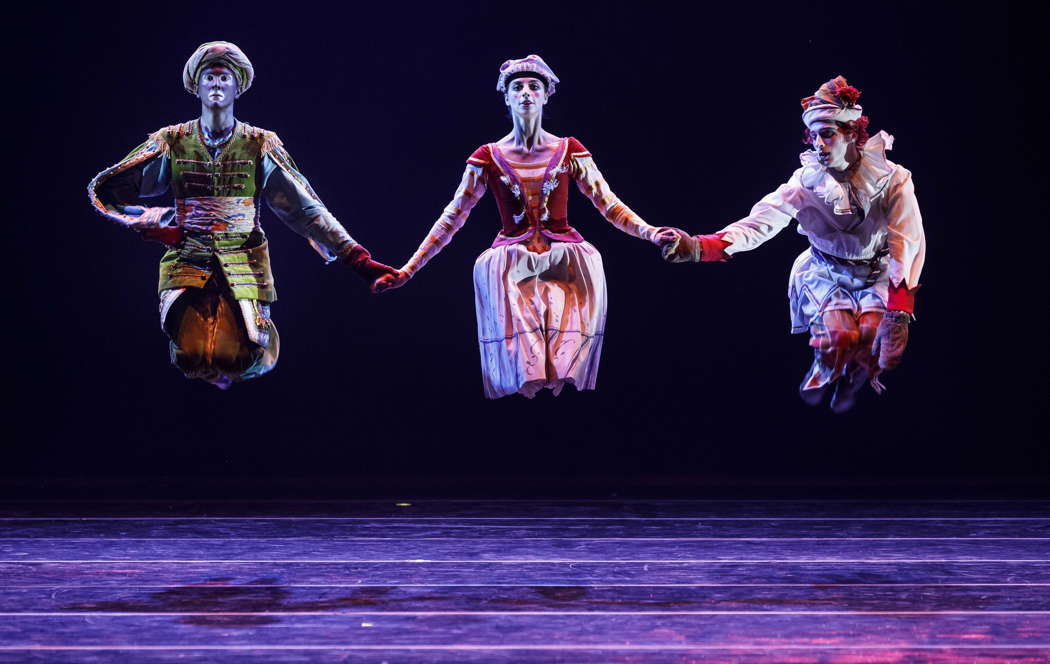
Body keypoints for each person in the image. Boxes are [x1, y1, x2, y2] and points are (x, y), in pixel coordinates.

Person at [373, 55, 684, 399]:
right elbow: (452, 218)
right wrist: (409, 270)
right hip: (512, 264)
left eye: (533, 87)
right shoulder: (488, 157)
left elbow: (608, 203)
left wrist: (652, 232)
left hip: (566, 260)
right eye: (516, 87)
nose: (525, 93)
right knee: (526, 351)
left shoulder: (569, 150)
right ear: (505, 97)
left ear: (546, 95)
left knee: (562, 349)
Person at [88, 41, 395, 388]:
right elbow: (109, 188)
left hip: (244, 260)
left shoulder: (259, 144)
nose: (216, 85)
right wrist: (156, 221)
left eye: (224, 78)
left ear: (237, 86)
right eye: (209, 77)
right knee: (191, 356)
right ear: (196, 86)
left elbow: (305, 207)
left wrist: (359, 260)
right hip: (188, 259)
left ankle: (247, 348)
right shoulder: (171, 142)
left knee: (236, 356)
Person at [663, 76, 925, 412]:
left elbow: (909, 240)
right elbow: (762, 221)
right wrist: (700, 246)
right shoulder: (805, 182)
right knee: (841, 334)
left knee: (872, 336)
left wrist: (899, 311)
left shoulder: (893, 180)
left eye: (827, 134)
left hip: (877, 271)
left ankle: (855, 376)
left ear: (851, 134)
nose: (819, 143)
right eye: (814, 135)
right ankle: (826, 367)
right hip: (827, 270)